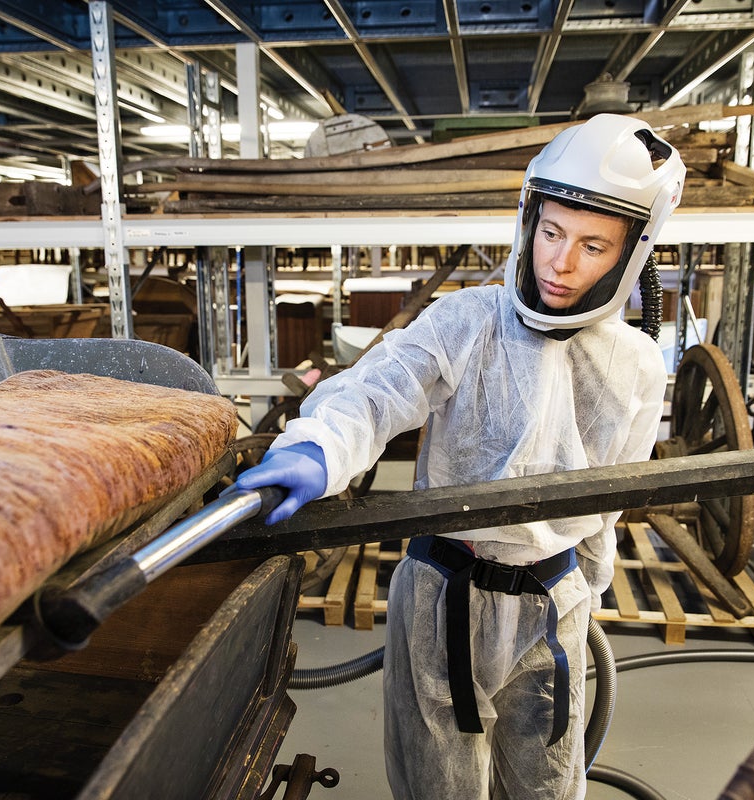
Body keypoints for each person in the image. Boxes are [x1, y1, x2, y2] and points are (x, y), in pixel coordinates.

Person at [236, 113, 684, 799]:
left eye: (593, 245)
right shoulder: (465, 321)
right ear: (529, 219)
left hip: (552, 602)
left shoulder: (635, 365)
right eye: (552, 232)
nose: (560, 263)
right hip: (445, 593)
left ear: (631, 254)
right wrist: (321, 447)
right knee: (439, 784)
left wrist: (587, 594)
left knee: (546, 785)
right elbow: (380, 390)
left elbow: (606, 505)